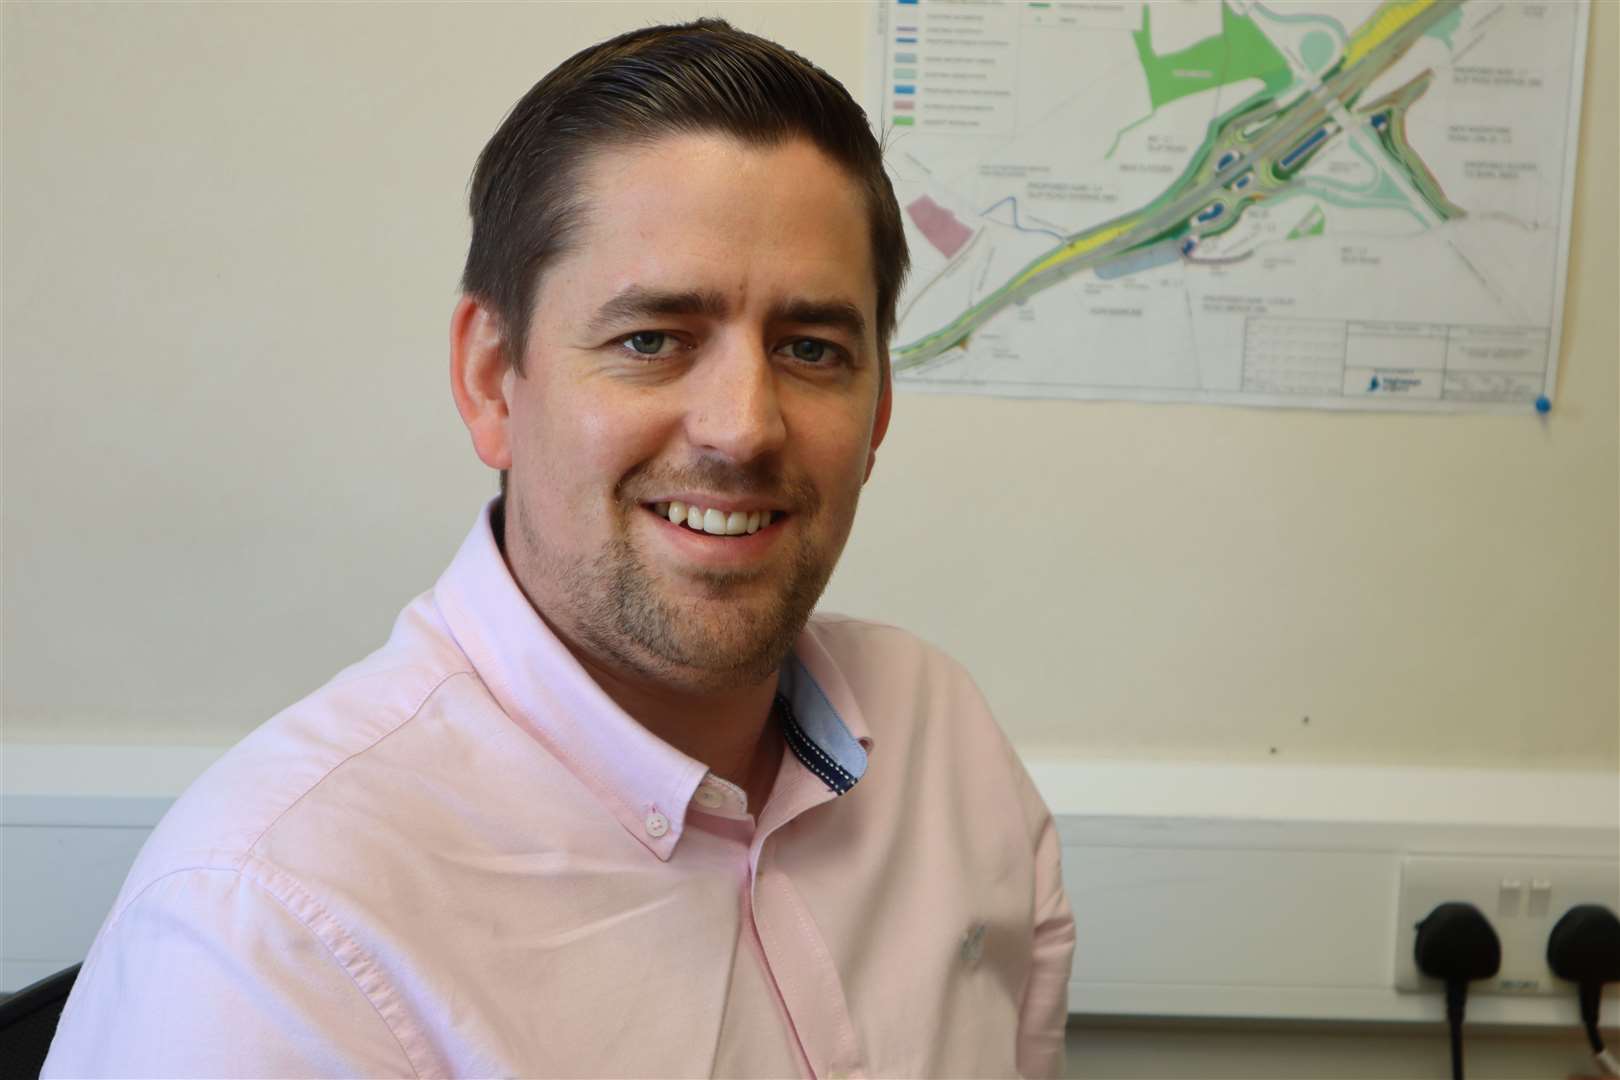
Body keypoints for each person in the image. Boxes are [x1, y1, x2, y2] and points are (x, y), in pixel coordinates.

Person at [43, 19, 1075, 1078]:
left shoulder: (943, 747)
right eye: (651, 340)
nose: (744, 426)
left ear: (879, 412)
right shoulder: (270, 931)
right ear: (493, 379)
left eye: (811, 349)